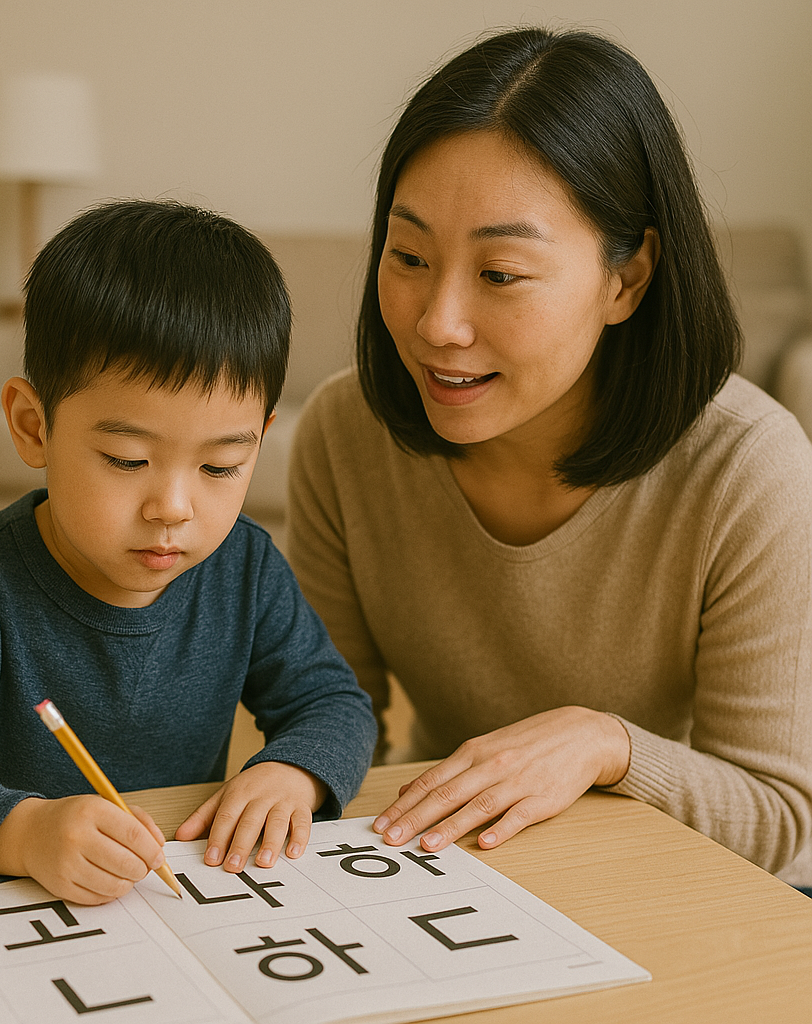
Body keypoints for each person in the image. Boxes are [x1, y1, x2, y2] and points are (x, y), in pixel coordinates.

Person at [287, 26, 812, 888]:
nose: (436, 324)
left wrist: (605, 744)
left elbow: (778, 820)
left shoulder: (749, 470)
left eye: (500, 274)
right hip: (447, 865)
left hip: (670, 876)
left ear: (627, 279)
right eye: (409, 256)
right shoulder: (346, 433)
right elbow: (324, 712)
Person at [0, 199, 376, 905]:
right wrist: (23, 833)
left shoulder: (244, 567)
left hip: (166, 903)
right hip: (3, 918)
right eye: (124, 459)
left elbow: (333, 702)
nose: (173, 508)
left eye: (220, 467)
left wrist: (292, 772)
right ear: (33, 427)